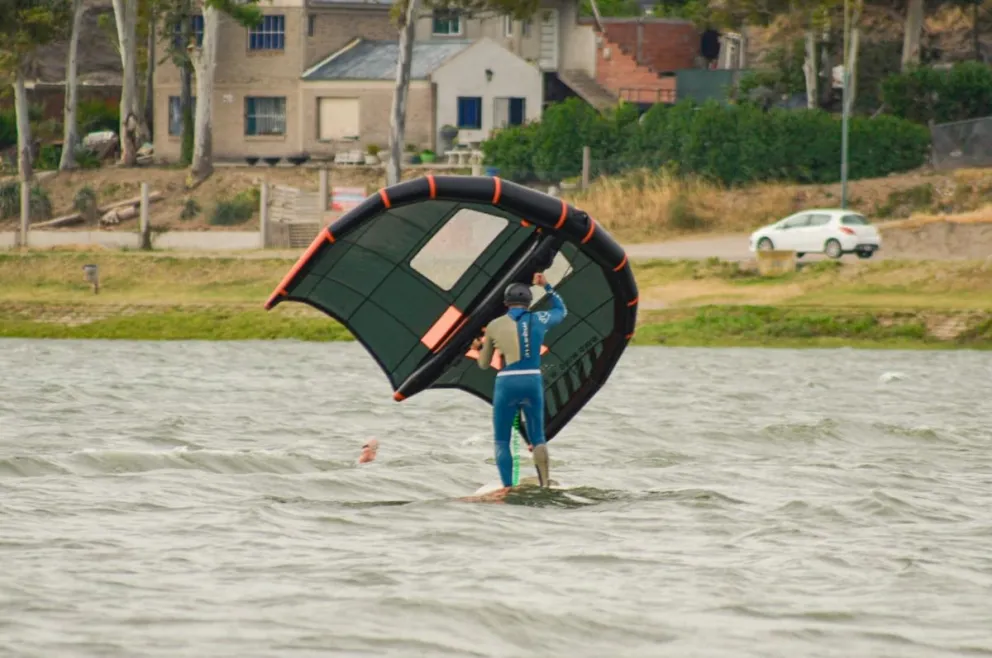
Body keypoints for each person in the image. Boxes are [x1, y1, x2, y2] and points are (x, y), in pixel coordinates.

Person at [471, 272, 567, 492]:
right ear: (528, 303)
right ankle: (544, 485)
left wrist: (477, 349)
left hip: (506, 384)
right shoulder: (539, 319)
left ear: (506, 303)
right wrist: (547, 286)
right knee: (538, 437)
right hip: (532, 380)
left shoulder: (494, 325)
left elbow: (484, 364)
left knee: (502, 441)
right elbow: (561, 311)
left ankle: (507, 488)